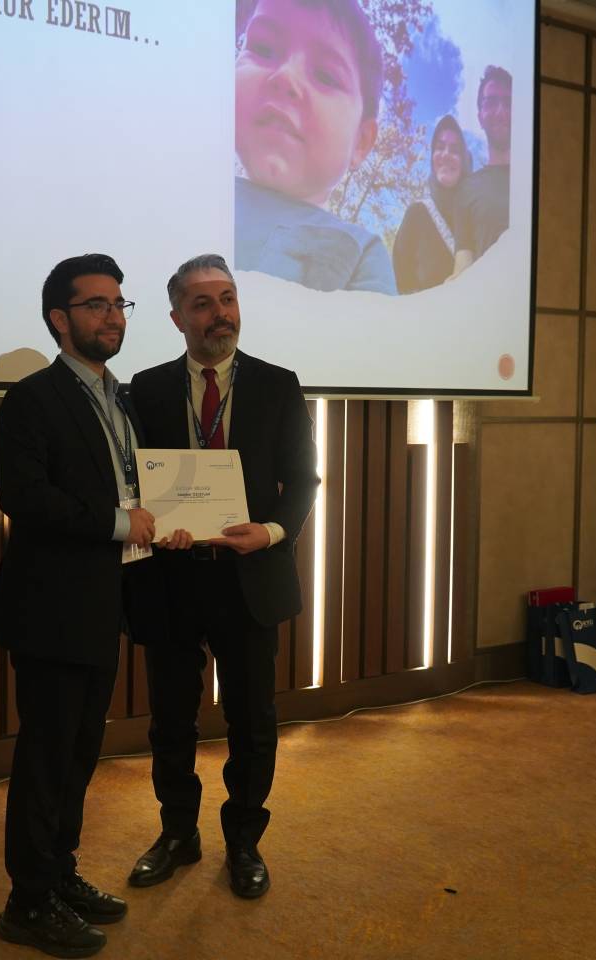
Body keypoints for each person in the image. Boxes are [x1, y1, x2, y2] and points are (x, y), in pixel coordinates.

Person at [0, 253, 162, 957]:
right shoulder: (34, 398)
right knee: (47, 759)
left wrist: (167, 519)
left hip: (102, 602)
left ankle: (58, 874)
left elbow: (135, 483)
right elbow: (25, 499)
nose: (112, 316)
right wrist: (120, 523)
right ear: (60, 319)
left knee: (80, 753)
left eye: (119, 304)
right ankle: (26, 903)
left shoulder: (123, 398)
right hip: (51, 608)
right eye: (96, 305)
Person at [127, 253, 320, 899]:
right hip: (172, 576)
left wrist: (272, 531)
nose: (220, 314)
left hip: (249, 575)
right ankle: (178, 833)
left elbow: (303, 480)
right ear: (177, 317)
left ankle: (244, 840)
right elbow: (135, 479)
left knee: (252, 719)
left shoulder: (278, 384)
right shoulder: (146, 388)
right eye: (203, 303)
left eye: (228, 299)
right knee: (171, 720)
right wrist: (153, 522)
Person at [233, 0, 397, 294]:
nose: (286, 76)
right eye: (263, 49)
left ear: (361, 141)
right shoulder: (191, 185)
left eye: (325, 76)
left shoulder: (360, 252)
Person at [392, 114, 473, 293]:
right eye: (440, 147)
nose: (446, 154)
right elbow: (400, 285)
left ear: (464, 161)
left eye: (455, 150)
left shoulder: (477, 215)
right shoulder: (417, 214)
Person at [454, 64, 512, 273]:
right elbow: (463, 260)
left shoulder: (538, 179)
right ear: (480, 116)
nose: (501, 111)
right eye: (491, 102)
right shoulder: (468, 187)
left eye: (508, 103)